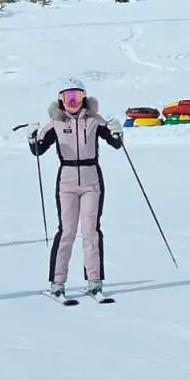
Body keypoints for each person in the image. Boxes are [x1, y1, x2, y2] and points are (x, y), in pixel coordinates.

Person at [28, 80, 124, 299]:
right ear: (61, 99)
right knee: (67, 232)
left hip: (92, 181)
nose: (73, 101)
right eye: (68, 97)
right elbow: (38, 150)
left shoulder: (94, 120)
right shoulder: (55, 122)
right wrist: (32, 138)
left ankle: (94, 282)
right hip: (67, 183)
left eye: (77, 96)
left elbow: (115, 143)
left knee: (91, 231)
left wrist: (117, 133)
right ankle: (57, 284)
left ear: (84, 98)